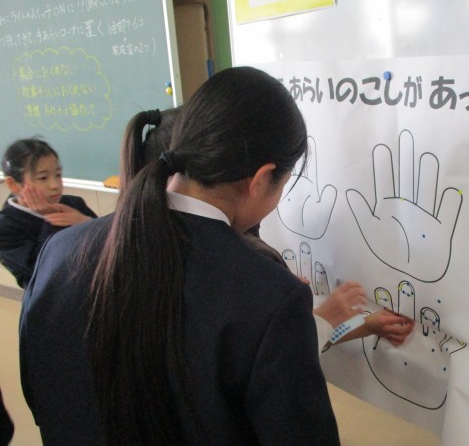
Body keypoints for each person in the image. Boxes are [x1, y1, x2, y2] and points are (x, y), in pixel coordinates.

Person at [19, 67, 340, 446]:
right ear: (260, 179)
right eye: (283, 184)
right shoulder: (270, 296)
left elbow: (40, 396)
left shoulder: (59, 251)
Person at [121, 107, 414, 353]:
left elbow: (288, 337)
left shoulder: (131, 241)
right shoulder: (240, 267)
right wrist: (309, 312)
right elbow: (283, 350)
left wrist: (363, 324)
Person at [0, 138, 97, 288]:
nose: (55, 185)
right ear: (13, 184)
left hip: (95, 286)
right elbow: (45, 268)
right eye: (43, 178)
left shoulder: (74, 203)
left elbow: (110, 243)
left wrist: (87, 222)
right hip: (57, 298)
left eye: (58, 174)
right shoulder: (5, 227)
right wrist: (50, 218)